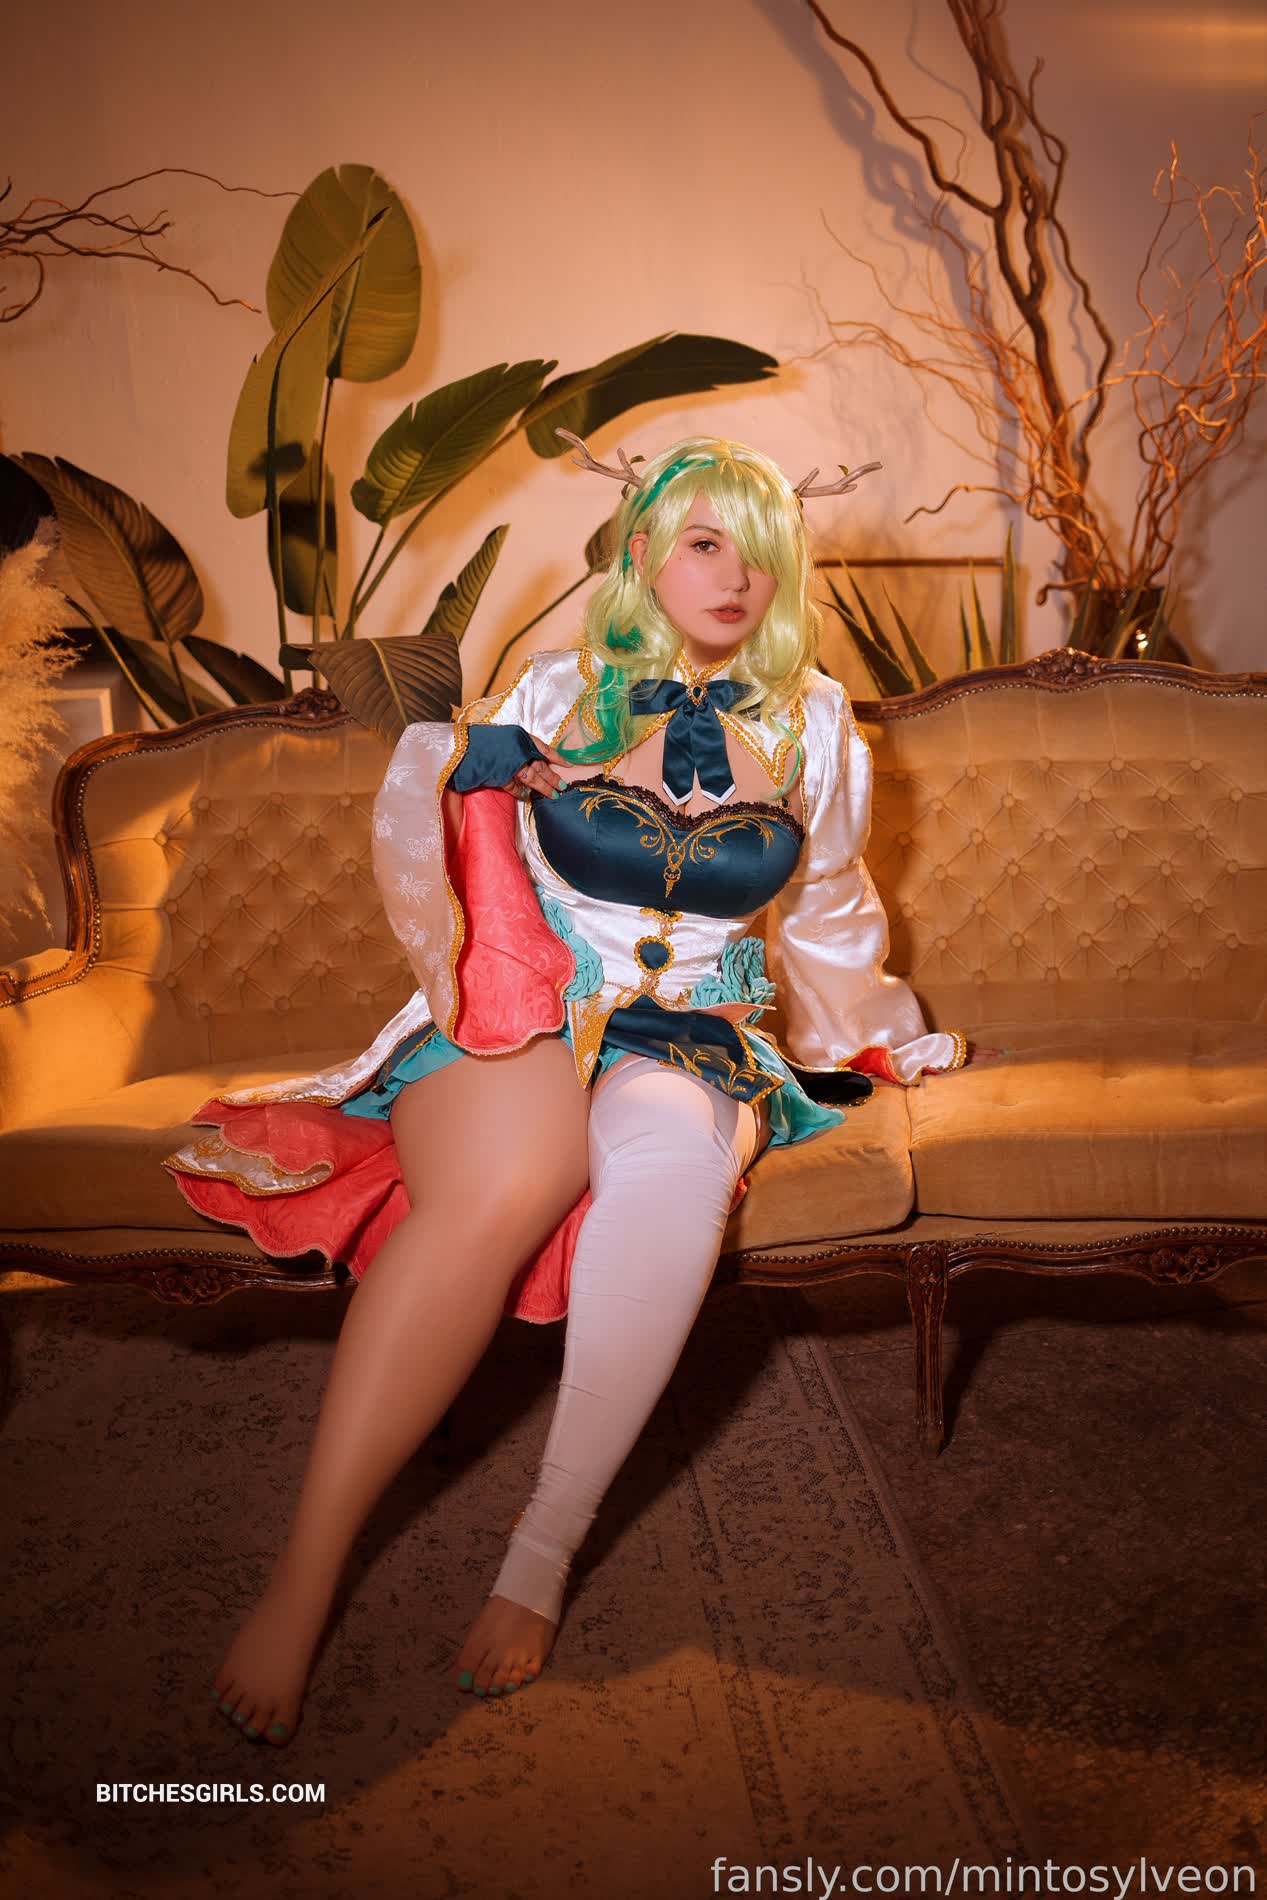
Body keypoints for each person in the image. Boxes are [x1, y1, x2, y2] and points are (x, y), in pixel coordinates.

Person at [163, 428, 998, 1749]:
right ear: (647, 554)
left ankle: (540, 1552)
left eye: (760, 555)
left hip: (696, 1035)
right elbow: (432, 830)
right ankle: (304, 1577)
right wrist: (480, 763)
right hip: (534, 1009)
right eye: (706, 544)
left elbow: (829, 908)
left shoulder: (821, 722)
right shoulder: (559, 684)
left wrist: (877, 1036)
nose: (736, 578)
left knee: (669, 1173)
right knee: (511, 1177)